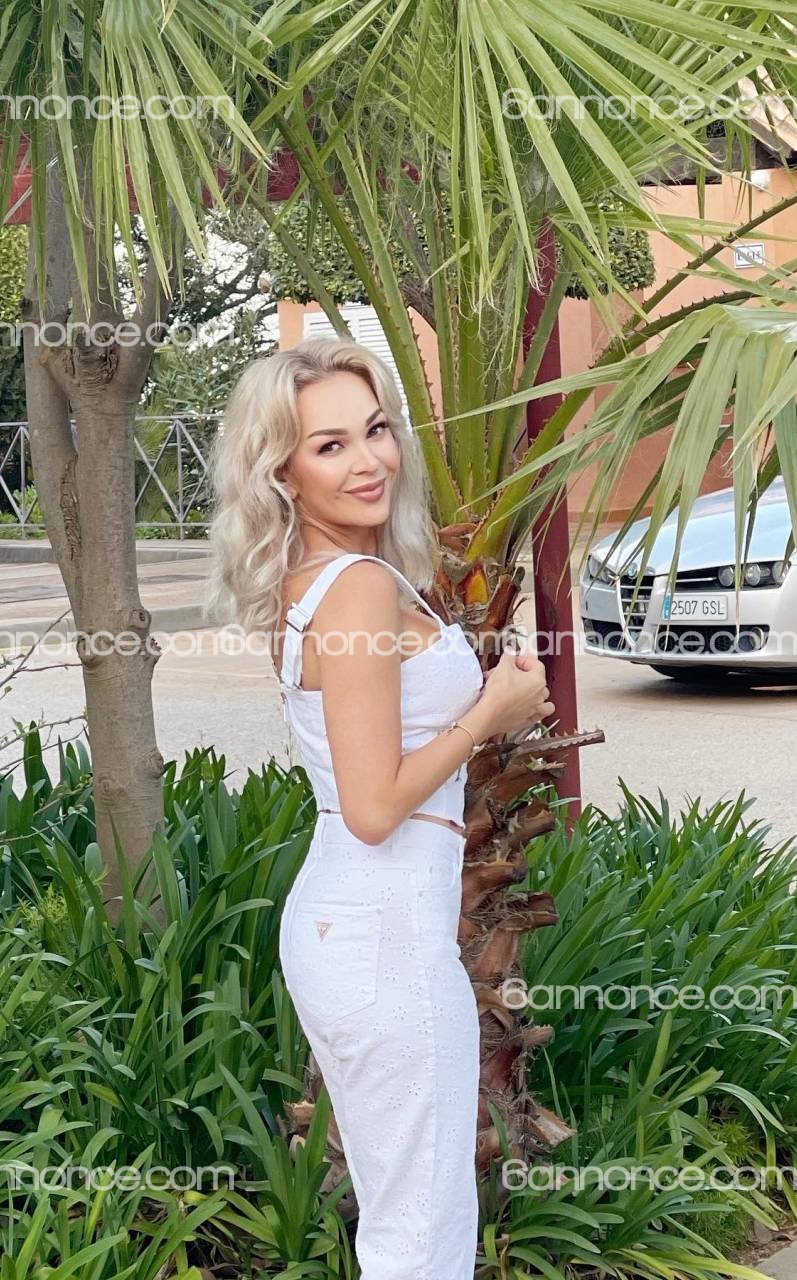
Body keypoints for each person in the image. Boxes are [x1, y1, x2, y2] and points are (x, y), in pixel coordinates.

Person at [206, 336, 554, 1279]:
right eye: (330, 446)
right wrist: (490, 715)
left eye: (376, 430)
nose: (368, 461)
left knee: (407, 1214)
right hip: (382, 933)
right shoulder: (356, 591)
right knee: (421, 1228)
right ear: (281, 472)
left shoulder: (322, 581)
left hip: (359, 926)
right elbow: (373, 806)